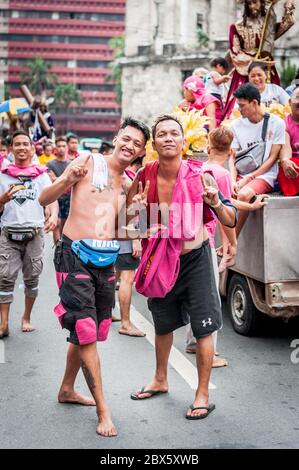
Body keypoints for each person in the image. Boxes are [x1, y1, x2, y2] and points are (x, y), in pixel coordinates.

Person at [39, 118, 150, 437]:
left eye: (137, 144)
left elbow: (119, 230)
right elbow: (44, 199)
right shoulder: (87, 162)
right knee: (86, 329)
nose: (130, 146)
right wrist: (65, 181)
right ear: (116, 138)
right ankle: (104, 410)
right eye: (126, 139)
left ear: (142, 152)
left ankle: (66, 389)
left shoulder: (129, 184)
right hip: (73, 254)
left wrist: (142, 225)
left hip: (105, 261)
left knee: (88, 328)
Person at [128, 115, 237, 419]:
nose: (167, 138)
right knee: (162, 323)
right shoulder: (146, 174)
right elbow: (130, 220)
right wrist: (137, 215)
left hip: (196, 258)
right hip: (163, 258)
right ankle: (160, 379)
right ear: (153, 143)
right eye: (160, 133)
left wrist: (214, 202)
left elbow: (229, 218)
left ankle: (201, 394)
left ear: (182, 140)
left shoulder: (201, 174)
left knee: (204, 328)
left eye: (173, 133)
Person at [0, 131, 58, 338]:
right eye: (17, 144)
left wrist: (53, 215)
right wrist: (2, 200)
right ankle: (3, 323)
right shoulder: (3, 174)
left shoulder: (40, 174)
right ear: (11, 149)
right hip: (8, 234)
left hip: (34, 235)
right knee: (5, 277)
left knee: (32, 278)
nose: (22, 147)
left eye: (25, 144)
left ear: (32, 149)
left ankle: (26, 317)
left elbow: (51, 197)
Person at [223, 0, 295, 119]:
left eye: (255, 2)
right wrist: (255, 62)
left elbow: (286, 24)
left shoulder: (268, 24)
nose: (252, 6)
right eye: (249, 3)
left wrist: (288, 9)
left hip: (266, 68)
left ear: (261, 3)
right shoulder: (237, 26)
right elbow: (235, 51)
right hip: (245, 69)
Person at [230, 83, 285, 235]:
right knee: (225, 195)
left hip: (265, 174)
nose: (239, 109)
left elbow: (273, 158)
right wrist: (233, 180)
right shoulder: (236, 125)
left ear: (254, 103)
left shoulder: (276, 123)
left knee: (243, 195)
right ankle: (226, 244)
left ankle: (231, 243)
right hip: (241, 173)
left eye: (242, 105)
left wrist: (249, 178)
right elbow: (232, 157)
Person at [46, 136, 71, 245]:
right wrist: (66, 179)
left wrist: (58, 179)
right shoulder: (50, 164)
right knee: (57, 223)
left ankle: (63, 247)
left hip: (68, 197)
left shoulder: (71, 163)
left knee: (65, 224)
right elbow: (51, 180)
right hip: (55, 197)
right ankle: (57, 248)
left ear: (67, 148)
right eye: (59, 146)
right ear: (55, 148)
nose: (61, 148)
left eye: (63, 146)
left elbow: (71, 181)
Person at [278, 87, 299, 195]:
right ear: (290, 102)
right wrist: (285, 160)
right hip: (295, 165)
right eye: (297, 97)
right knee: (289, 166)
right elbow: (285, 148)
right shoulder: (284, 124)